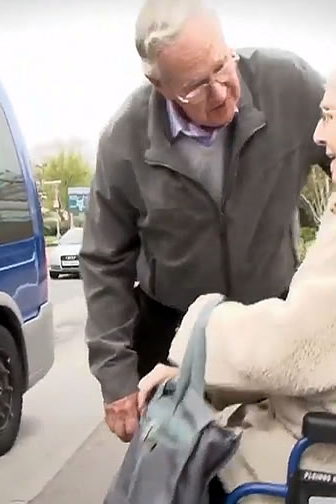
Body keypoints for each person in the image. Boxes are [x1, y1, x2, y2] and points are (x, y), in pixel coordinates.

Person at [79, 0, 330, 443]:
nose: (221, 93)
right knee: (181, 485)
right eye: (195, 87)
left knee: (270, 476)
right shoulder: (123, 139)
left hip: (267, 321)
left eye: (222, 66)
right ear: (157, 83)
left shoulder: (289, 84)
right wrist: (115, 377)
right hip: (172, 332)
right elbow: (104, 260)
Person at [137, 68, 336, 504]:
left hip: (313, 455)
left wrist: (201, 327)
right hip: (308, 425)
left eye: (329, 116)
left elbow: (292, 346)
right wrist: (196, 370)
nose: (318, 135)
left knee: (178, 476)